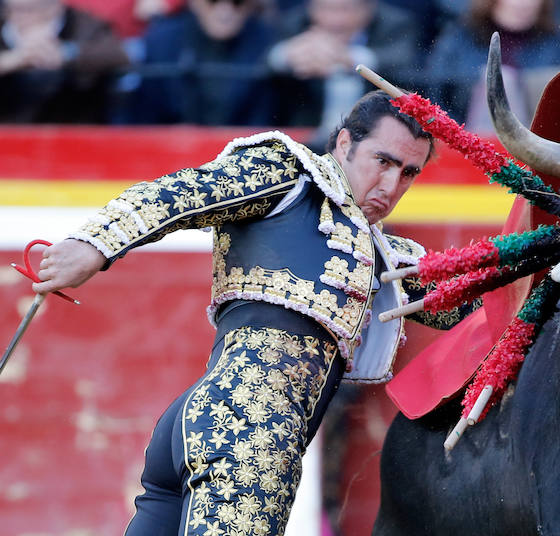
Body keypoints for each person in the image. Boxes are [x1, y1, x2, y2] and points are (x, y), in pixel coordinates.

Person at [34, 90, 470, 534]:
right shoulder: (290, 174)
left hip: (209, 420)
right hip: (251, 428)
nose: (391, 186)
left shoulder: (381, 253)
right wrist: (94, 243)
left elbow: (468, 302)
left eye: (409, 173)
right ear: (343, 143)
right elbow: (182, 192)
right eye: (383, 161)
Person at [267, 0, 422, 145]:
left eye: (345, 10)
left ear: (368, 9)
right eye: (326, 9)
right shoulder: (294, 22)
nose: (335, 20)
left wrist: (348, 58)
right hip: (307, 135)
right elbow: (265, 59)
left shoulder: (395, 23)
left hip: (376, 136)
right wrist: (290, 55)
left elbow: (402, 59)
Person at [120, 0, 276, 125]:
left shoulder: (268, 41)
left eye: (237, 2)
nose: (225, 10)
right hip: (172, 152)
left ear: (250, 5)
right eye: (213, 1)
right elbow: (142, 116)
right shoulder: (161, 41)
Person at [424, 0, 560, 131]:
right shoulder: (460, 38)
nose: (522, 3)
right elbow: (437, 94)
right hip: (463, 145)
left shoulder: (556, 45)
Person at [0, 0, 129, 123]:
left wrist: (65, 54)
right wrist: (10, 61)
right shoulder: (4, 24)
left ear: (54, 7)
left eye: (28, 10)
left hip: (73, 122)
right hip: (9, 124)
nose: (19, 17)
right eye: (12, 10)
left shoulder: (83, 23)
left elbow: (118, 55)